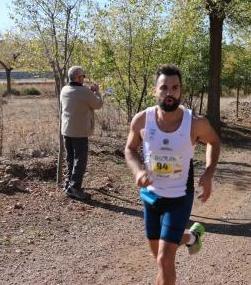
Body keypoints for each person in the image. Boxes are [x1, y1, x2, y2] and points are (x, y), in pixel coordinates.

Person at [124, 64, 220, 285]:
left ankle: (186, 237)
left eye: (175, 88)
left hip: (179, 198)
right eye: (164, 87)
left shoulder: (195, 123)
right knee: (157, 255)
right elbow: (129, 149)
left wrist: (208, 172)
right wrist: (138, 170)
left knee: (165, 259)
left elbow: (214, 142)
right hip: (151, 197)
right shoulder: (142, 120)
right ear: (154, 91)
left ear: (181, 91)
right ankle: (191, 237)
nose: (170, 93)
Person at [60, 66, 103, 200]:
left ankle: (68, 184)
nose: (84, 78)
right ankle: (75, 188)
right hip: (80, 132)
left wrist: (89, 93)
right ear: (78, 77)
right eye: (83, 76)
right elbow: (98, 104)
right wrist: (97, 92)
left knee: (70, 158)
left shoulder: (64, 89)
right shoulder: (85, 91)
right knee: (80, 160)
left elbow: (78, 99)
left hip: (67, 130)